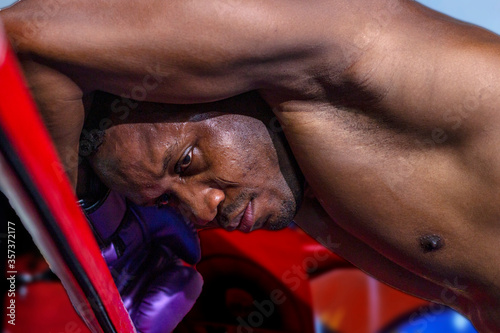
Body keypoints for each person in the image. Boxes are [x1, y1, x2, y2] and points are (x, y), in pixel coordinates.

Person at [2, 0, 500, 331]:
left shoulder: (344, 42)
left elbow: (21, 40)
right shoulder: (296, 179)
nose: (202, 206)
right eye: (167, 201)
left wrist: (73, 210)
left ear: (207, 83)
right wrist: (98, 200)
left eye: (187, 161)